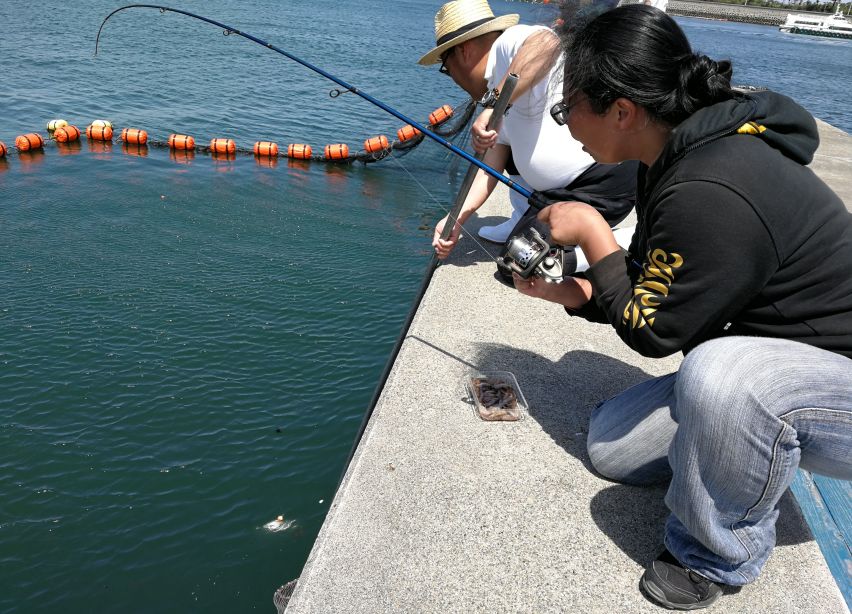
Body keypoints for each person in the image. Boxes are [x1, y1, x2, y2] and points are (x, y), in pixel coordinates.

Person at [514, 4, 852, 610]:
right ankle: (757, 449)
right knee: (610, 448)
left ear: (622, 110)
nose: (567, 127)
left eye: (569, 110)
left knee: (720, 377)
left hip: (835, 380)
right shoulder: (672, 157)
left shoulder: (711, 186)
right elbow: (653, 287)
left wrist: (594, 232)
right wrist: (576, 293)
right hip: (787, 358)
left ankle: (714, 559)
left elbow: (656, 333)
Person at [419, 0, 636, 277]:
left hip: (599, 184)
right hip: (557, 193)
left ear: (464, 50)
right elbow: (491, 166)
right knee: (508, 155)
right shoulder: (496, 83)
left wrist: (493, 105)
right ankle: (522, 218)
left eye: (446, 68)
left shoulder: (508, 43)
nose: (451, 78)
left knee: (519, 264)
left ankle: (625, 242)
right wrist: (457, 217)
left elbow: (545, 42)